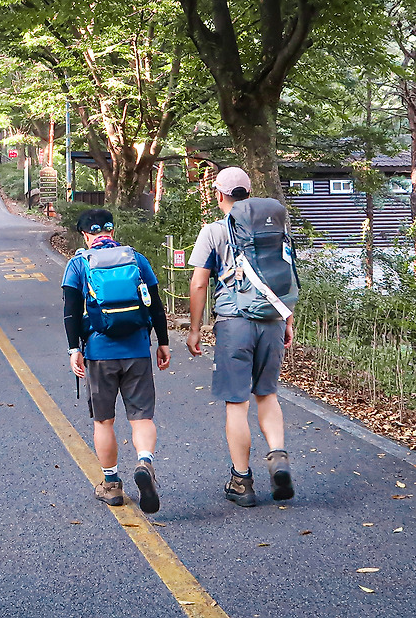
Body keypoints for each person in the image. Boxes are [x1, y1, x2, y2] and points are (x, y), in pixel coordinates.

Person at [186, 166, 296, 507]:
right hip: (272, 318)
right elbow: (285, 276)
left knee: (237, 403)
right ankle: (277, 455)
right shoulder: (274, 228)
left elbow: (199, 283)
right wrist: (287, 319)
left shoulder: (214, 231)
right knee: (267, 394)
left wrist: (195, 328)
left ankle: (241, 481)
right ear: (249, 192)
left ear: (219, 194)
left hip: (234, 323)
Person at [63, 208, 171, 513]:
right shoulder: (136, 259)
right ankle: (145, 462)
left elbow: (71, 311)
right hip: (137, 350)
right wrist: (162, 342)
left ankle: (111, 485)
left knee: (104, 421)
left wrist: (74, 349)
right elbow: (155, 305)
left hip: (100, 353)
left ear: (85, 235)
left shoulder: (78, 264)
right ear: (111, 230)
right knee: (142, 418)